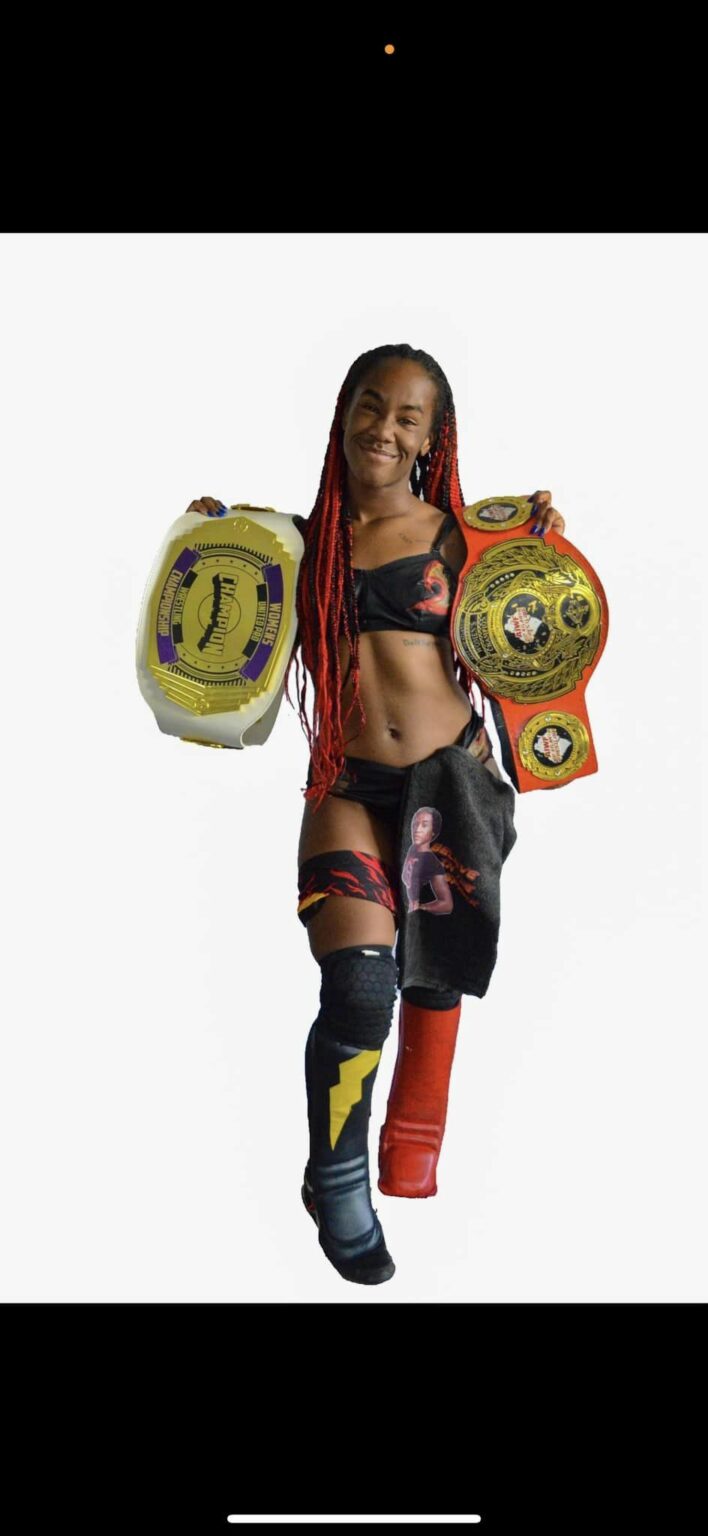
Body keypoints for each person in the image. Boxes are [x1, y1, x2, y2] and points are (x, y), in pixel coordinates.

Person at [186, 342, 566, 1287]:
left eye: (407, 416)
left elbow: (543, 629)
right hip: (348, 789)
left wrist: (541, 548)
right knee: (359, 989)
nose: (384, 428)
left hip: (451, 787)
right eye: (370, 405)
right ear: (343, 410)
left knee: (435, 975)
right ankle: (336, 1177)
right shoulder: (288, 546)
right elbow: (209, 610)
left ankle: (411, 1147)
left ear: (433, 438)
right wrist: (205, 545)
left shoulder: (461, 541)